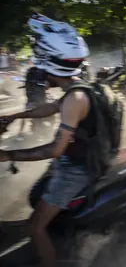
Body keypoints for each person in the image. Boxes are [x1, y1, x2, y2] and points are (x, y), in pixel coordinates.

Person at [0, 14, 93, 267]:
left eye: (38, 60)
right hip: (82, 160)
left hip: (78, 170)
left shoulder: (75, 98)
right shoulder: (78, 87)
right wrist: (14, 115)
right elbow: (51, 108)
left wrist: (9, 155)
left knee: (34, 227)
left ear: (47, 63)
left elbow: (56, 149)